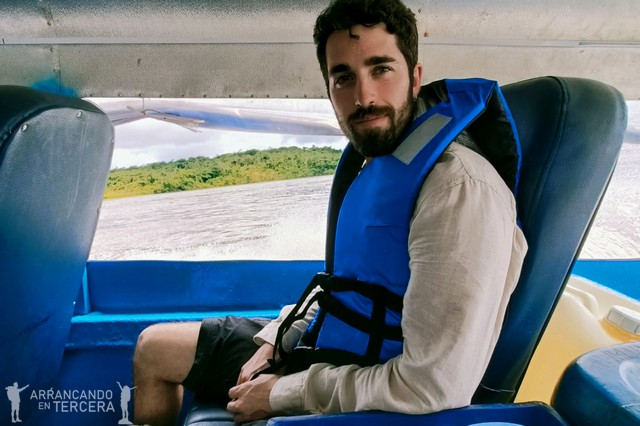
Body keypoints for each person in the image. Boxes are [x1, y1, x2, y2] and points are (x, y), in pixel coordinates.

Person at [132, 0, 527, 424]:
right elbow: (350, 290)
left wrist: (281, 394)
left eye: (381, 69)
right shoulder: (377, 163)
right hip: (327, 347)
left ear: (414, 78)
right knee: (154, 349)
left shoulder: (458, 188)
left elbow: (430, 385)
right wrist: (280, 337)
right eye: (343, 78)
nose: (364, 97)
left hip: (373, 393)